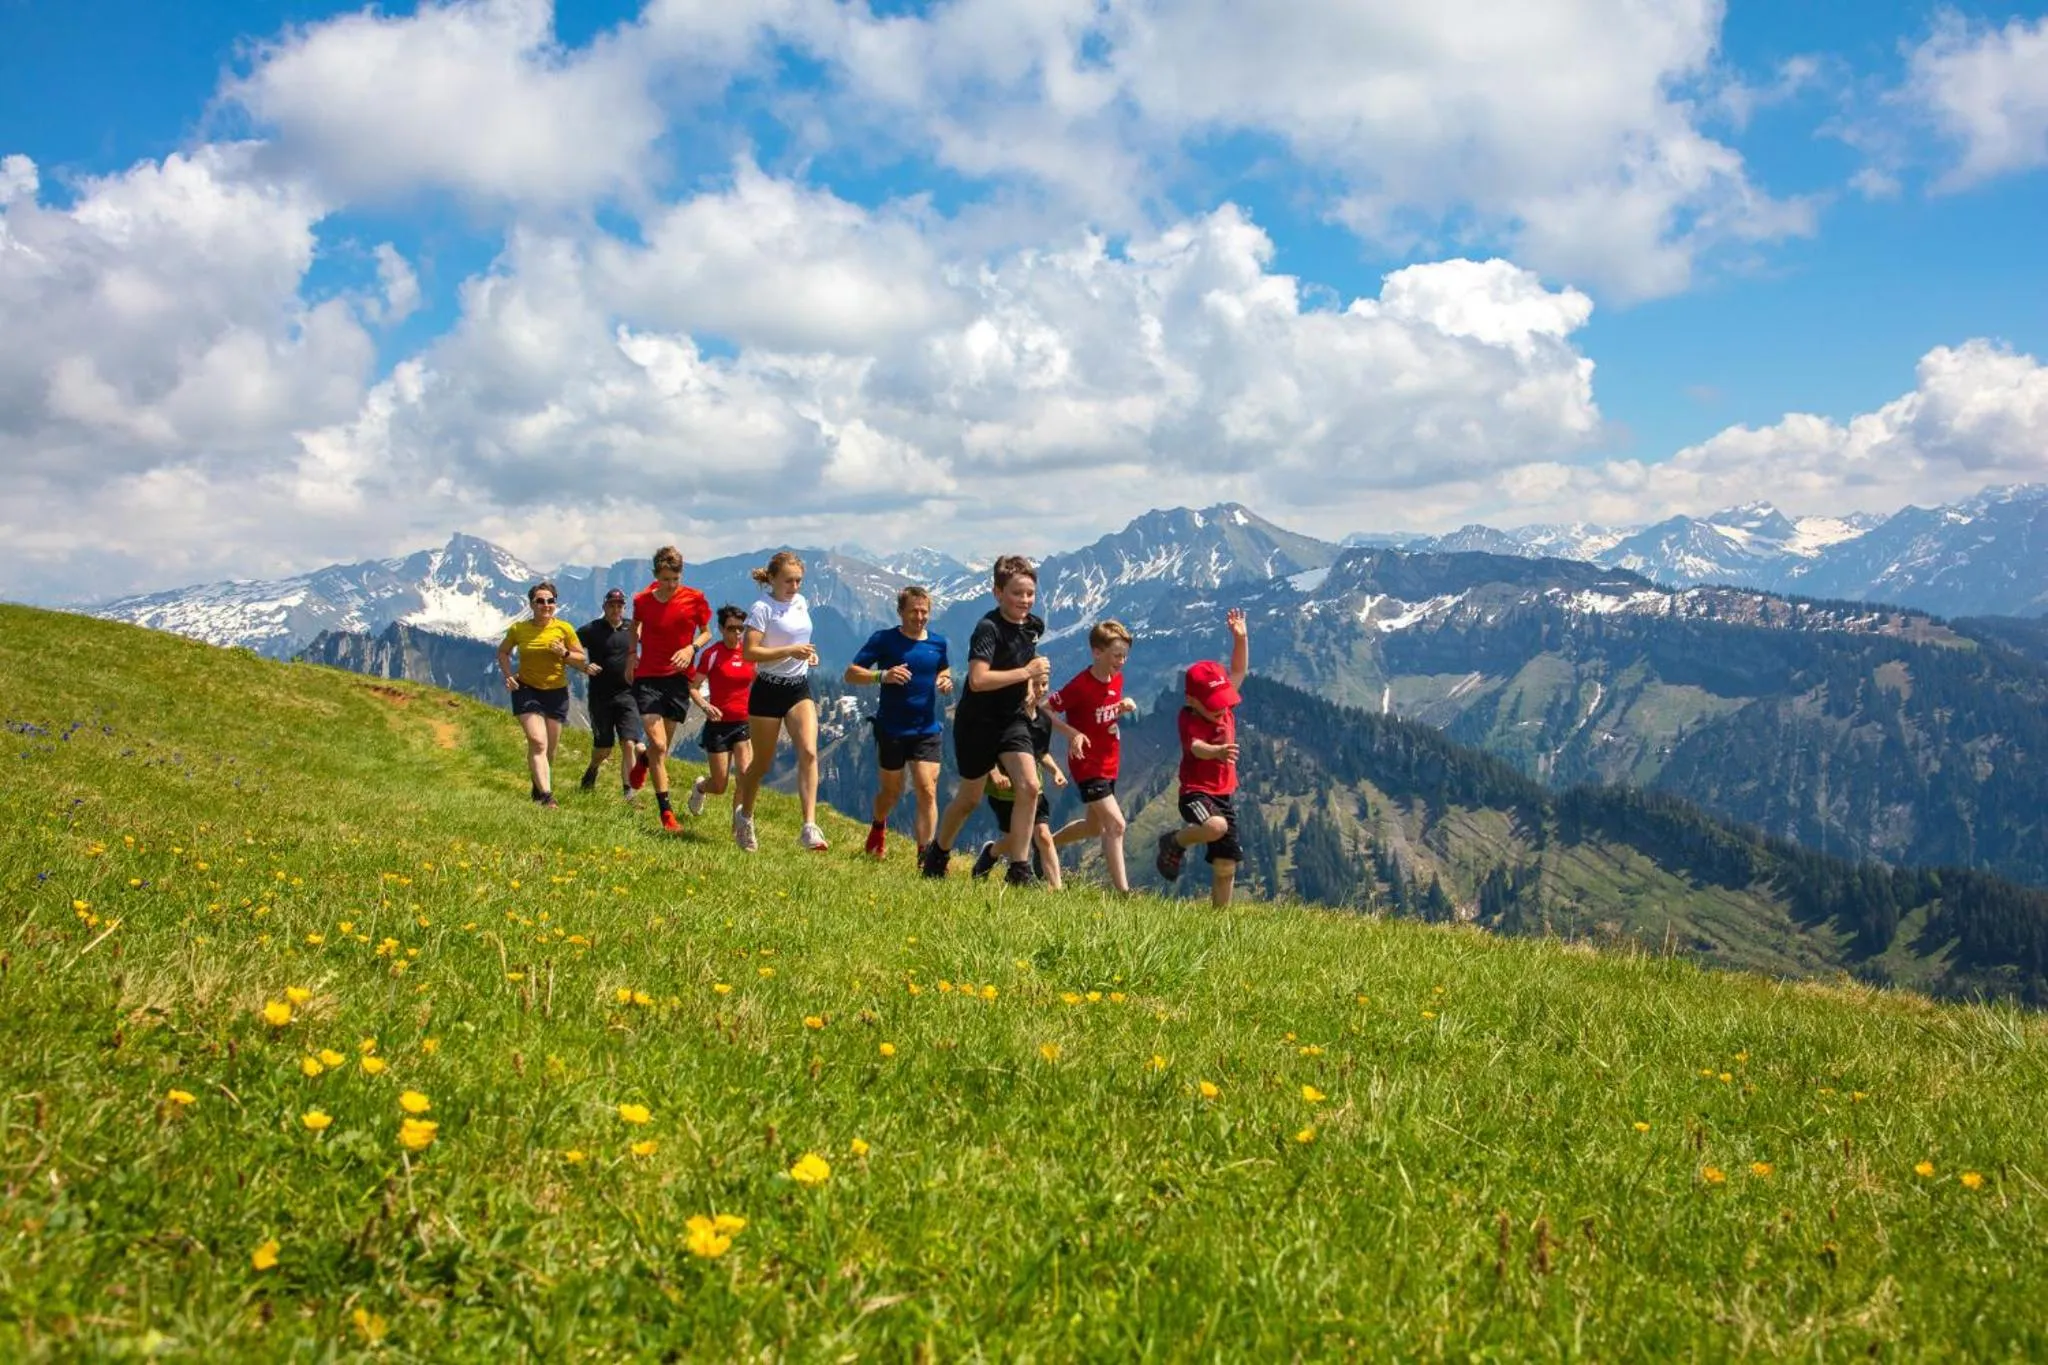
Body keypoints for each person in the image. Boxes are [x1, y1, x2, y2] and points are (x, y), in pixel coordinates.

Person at [920, 555, 1049, 886]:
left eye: (1029, 593)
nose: (1024, 600)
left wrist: (1032, 684)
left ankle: (1019, 869)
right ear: (997, 593)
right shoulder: (987, 629)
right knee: (969, 799)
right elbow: (977, 680)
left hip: (1012, 720)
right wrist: (1027, 672)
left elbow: (1027, 655)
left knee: (1030, 786)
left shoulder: (1034, 626)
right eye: (1017, 593)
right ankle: (938, 854)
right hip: (978, 722)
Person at [845, 586, 953, 859]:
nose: (919, 617)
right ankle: (879, 825)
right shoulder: (884, 640)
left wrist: (945, 679)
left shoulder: (938, 643)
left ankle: (926, 856)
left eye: (924, 611)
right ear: (900, 612)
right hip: (892, 728)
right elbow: (851, 673)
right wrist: (883, 676)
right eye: (913, 611)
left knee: (927, 789)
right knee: (891, 792)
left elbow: (943, 667)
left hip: (926, 728)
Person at [1156, 608, 1250, 907]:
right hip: (1195, 793)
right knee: (1216, 827)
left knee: (1226, 865)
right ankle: (1174, 841)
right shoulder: (1190, 719)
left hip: (1223, 795)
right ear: (1191, 701)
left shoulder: (1223, 707)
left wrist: (1241, 639)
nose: (1221, 709)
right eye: (1213, 706)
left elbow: (1238, 671)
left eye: (1223, 703)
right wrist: (1218, 752)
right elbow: (1195, 747)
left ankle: (1219, 921)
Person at [733, 551, 827, 852]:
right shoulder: (762, 608)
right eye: (788, 580)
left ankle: (809, 826)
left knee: (810, 752)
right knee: (761, 763)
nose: (795, 586)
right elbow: (749, 653)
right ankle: (744, 817)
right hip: (768, 690)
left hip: (798, 688)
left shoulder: (800, 603)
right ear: (772, 579)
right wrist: (790, 650)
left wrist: (808, 654)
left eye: (799, 580)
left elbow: (801, 638)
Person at [1047, 619, 1140, 891]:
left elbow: (1100, 713)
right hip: (1087, 764)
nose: (1121, 661)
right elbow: (1046, 709)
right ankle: (1124, 894)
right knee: (1116, 825)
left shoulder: (1116, 679)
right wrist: (1072, 733)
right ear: (1097, 652)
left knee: (1092, 827)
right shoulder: (1081, 685)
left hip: (1110, 761)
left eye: (1124, 656)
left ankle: (1047, 843)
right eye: (1116, 655)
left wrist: (1121, 708)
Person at [631, 546, 713, 834]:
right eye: (665, 579)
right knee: (661, 746)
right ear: (656, 575)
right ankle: (666, 813)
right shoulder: (642, 600)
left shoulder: (694, 599)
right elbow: (635, 626)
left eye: (675, 579)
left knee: (657, 751)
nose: (670, 585)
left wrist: (692, 648)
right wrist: (632, 653)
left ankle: (643, 760)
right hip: (648, 679)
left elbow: (707, 631)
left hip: (678, 679)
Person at [496, 581, 586, 808]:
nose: (546, 605)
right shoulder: (519, 629)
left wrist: (563, 652)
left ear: (555, 604)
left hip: (556, 692)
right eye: (540, 601)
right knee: (537, 742)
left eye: (550, 601)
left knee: (550, 751)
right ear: (532, 604)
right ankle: (547, 797)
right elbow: (503, 652)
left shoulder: (564, 628)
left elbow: (580, 658)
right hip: (526, 689)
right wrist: (508, 675)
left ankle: (537, 789)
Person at [971, 707, 1067, 887]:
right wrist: (995, 774)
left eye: (1044, 684)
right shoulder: (1007, 716)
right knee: (1013, 841)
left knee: (1044, 836)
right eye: (1036, 685)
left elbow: (1041, 751)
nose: (1041, 689)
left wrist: (1056, 771)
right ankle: (991, 852)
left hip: (1033, 793)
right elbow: (988, 748)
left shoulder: (1042, 719)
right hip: (1005, 795)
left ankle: (1057, 889)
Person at [684, 606, 755, 821]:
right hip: (718, 726)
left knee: (745, 777)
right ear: (721, 629)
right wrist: (705, 706)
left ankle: (739, 828)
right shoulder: (711, 654)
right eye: (731, 628)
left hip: (742, 723)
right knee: (719, 785)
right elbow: (693, 687)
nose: (737, 633)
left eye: (740, 629)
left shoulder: (749, 653)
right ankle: (700, 787)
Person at [576, 588, 645, 798]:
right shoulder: (591, 629)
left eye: (619, 605)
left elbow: (651, 645)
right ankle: (593, 768)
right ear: (604, 607)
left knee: (629, 742)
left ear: (624, 607)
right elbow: (570, 649)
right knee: (604, 748)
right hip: (600, 696)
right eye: (611, 605)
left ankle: (629, 794)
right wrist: (584, 665)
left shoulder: (633, 628)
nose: (616, 609)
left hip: (628, 694)